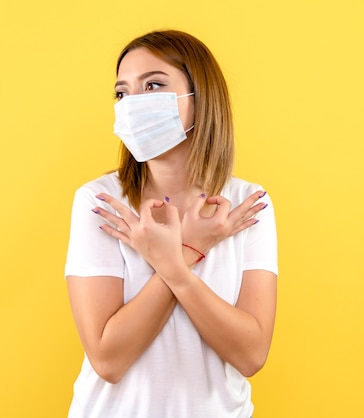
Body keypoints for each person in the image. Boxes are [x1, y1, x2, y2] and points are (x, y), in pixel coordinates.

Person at [64, 29, 278, 418]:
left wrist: (175, 266)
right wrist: (192, 248)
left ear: (201, 97)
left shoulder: (246, 205)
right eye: (122, 92)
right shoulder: (101, 203)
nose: (132, 104)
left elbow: (251, 354)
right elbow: (108, 359)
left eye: (154, 85)